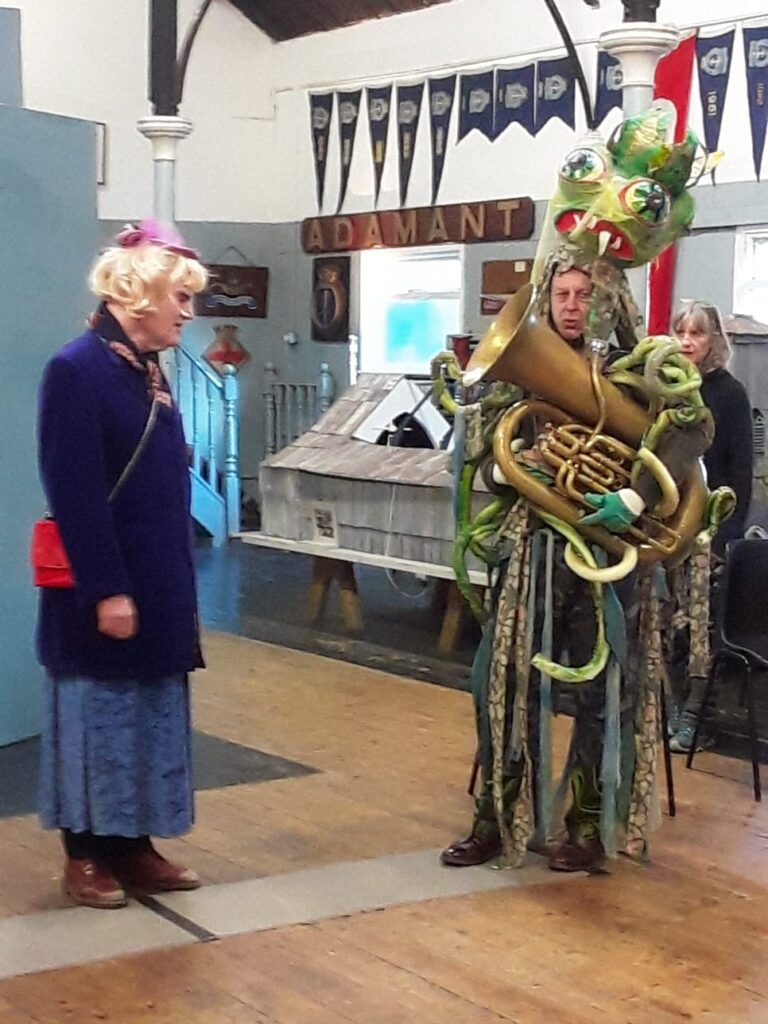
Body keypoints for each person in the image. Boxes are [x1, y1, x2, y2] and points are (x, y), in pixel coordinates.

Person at [440, 256, 714, 873]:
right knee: (504, 683)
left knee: (605, 692)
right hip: (535, 544)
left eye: (583, 293)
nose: (569, 304)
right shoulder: (516, 378)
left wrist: (637, 495)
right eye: (560, 293)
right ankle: (495, 820)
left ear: (609, 298)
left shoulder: (643, 365)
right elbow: (484, 461)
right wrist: (519, 467)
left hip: (608, 558)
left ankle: (587, 829)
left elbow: (694, 427)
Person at [36, 221, 208, 909]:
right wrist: (107, 590)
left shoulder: (146, 370)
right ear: (139, 295)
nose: (187, 314)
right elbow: (74, 492)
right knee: (96, 719)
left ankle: (133, 846)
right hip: (104, 583)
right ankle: (85, 854)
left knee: (148, 715)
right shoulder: (76, 369)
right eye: (181, 299)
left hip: (160, 577)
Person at [667, 299, 753, 753]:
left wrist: (724, 537)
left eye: (697, 333)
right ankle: (671, 707)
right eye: (681, 332)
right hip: (666, 528)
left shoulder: (729, 394)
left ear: (713, 340)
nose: (686, 342)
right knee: (667, 626)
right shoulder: (667, 388)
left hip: (708, 533)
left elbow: (739, 475)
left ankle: (697, 721)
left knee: (700, 631)